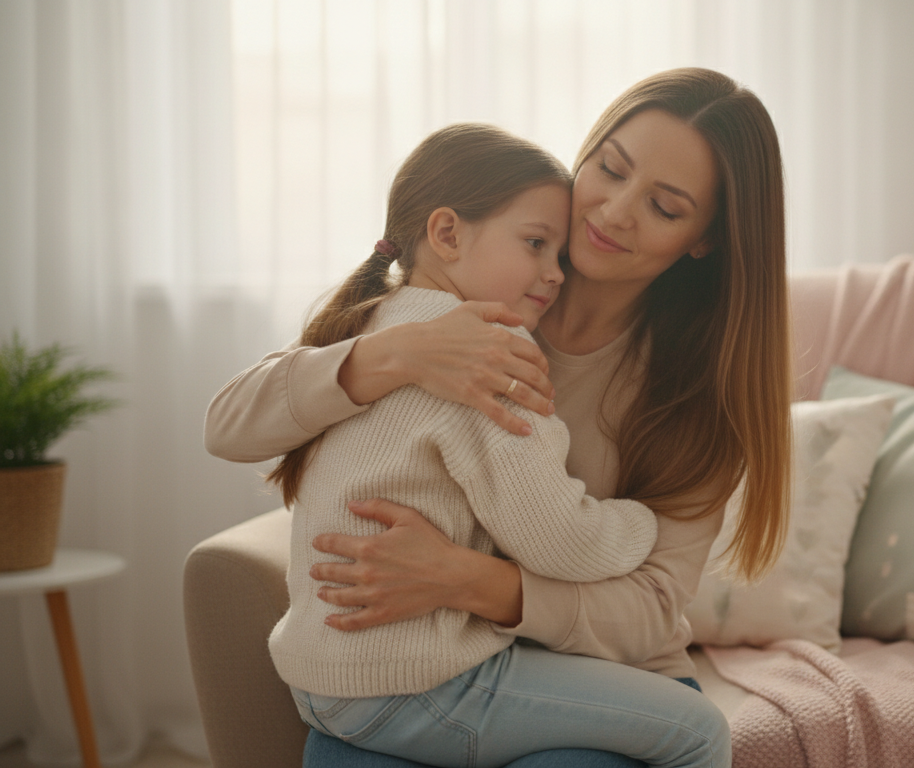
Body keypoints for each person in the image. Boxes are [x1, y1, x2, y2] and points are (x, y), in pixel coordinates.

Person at [205, 67, 792, 768]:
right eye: (609, 169)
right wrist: (393, 356)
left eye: (664, 207)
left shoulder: (698, 394)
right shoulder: (488, 274)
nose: (613, 211)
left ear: (704, 239)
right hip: (433, 667)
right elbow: (229, 425)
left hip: (595, 671)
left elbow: (650, 609)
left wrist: (466, 581)